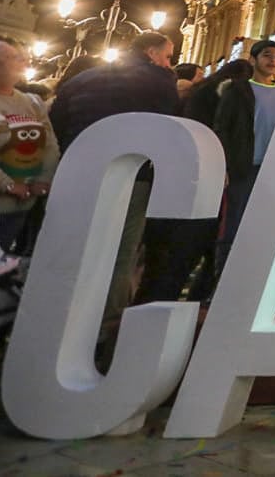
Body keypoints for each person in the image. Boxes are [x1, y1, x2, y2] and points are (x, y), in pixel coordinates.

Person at [47, 32, 179, 330]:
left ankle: (54, 314)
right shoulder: (158, 81)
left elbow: (54, 128)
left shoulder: (80, 80)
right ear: (151, 52)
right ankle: (105, 326)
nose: (170, 64)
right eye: (168, 56)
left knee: (72, 244)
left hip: (76, 172)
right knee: (121, 251)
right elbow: (166, 128)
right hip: (131, 174)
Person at [139, 59, 251, 303]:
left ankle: (154, 297)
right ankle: (194, 295)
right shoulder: (229, 94)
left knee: (168, 247)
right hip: (211, 172)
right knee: (202, 238)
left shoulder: (198, 93)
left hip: (178, 170)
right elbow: (226, 130)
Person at [212, 40, 275, 274]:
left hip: (274, 167)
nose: (273, 60)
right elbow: (223, 127)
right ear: (254, 60)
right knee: (234, 222)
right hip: (244, 165)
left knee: (266, 223)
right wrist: (225, 165)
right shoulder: (238, 90)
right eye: (267, 55)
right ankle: (224, 275)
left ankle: (255, 273)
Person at [0, 41, 58, 252]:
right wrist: (6, 184)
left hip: (22, 206)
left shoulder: (32, 102)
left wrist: (44, 179)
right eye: (11, 58)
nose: (22, 62)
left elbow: (50, 145)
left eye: (20, 57)